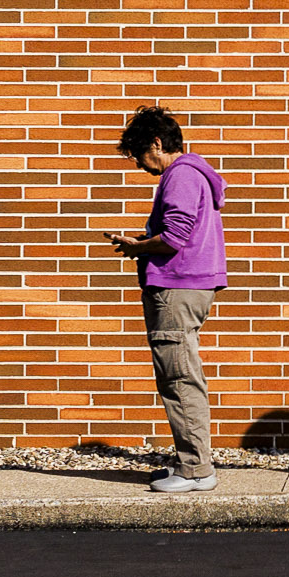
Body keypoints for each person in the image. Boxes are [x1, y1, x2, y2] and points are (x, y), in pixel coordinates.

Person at [105, 105, 225, 494]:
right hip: (189, 285)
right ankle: (192, 463)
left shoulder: (180, 176)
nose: (140, 165)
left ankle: (195, 470)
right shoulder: (192, 174)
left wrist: (138, 246)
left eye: (140, 154)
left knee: (178, 377)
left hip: (176, 286)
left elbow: (175, 236)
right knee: (181, 374)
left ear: (157, 143)